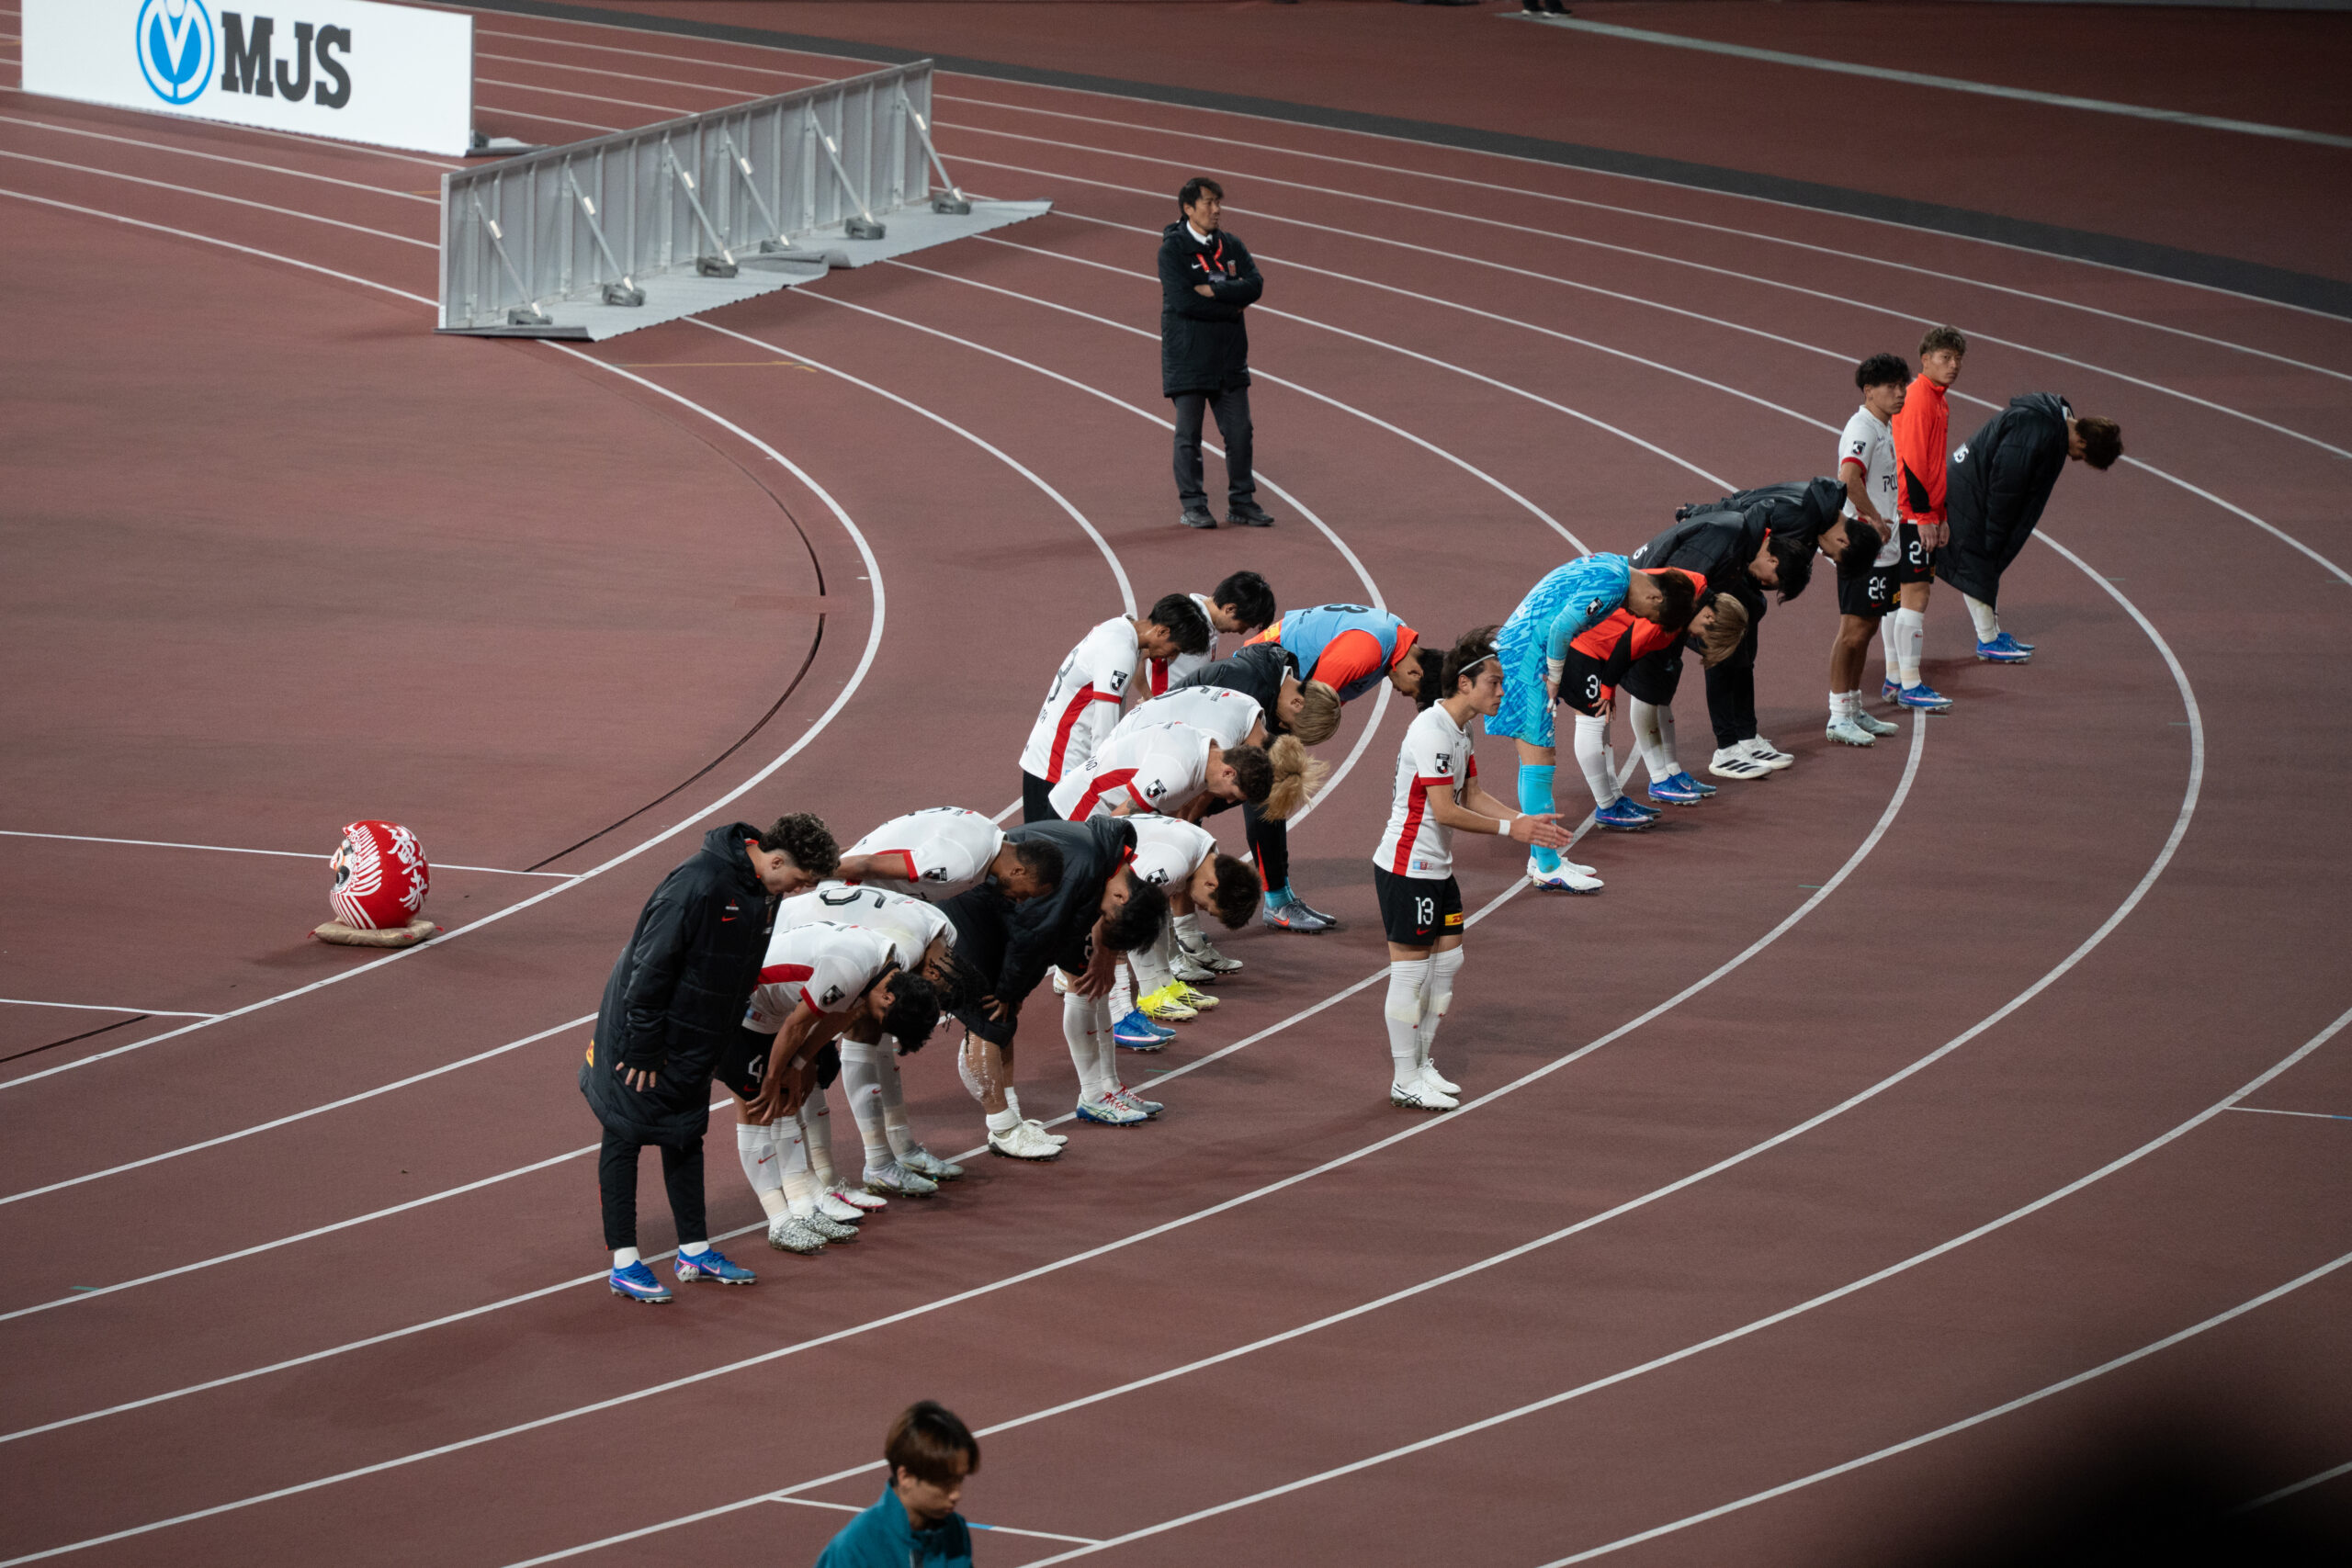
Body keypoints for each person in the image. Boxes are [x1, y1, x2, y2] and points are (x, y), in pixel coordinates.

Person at [582, 815, 837, 1303]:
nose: (802, 890)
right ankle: (625, 1263)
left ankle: (694, 1250)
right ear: (776, 859)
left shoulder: (762, 888)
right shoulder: (697, 885)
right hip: (642, 1034)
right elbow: (649, 966)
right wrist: (642, 1044)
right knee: (625, 1132)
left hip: (697, 1036)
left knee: (685, 1134)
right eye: (801, 880)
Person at [1374, 627, 1573, 1111]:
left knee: (1447, 965)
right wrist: (1512, 834)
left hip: (1436, 868)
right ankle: (1405, 1078)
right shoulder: (1432, 731)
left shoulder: (1458, 731)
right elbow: (1445, 811)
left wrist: (1523, 820)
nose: (1501, 692)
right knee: (1410, 975)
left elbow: (1473, 795)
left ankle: (1421, 1064)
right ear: (1464, 683)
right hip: (1408, 866)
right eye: (1494, 683)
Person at [938, 817, 1168, 1154]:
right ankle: (1004, 1130)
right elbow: (1034, 936)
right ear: (1121, 896)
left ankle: (1028, 1116)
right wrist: (1011, 992)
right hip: (970, 908)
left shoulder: (1104, 859)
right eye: (1108, 921)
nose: (1102, 925)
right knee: (991, 1016)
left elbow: (1052, 930)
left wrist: (1095, 958)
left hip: (1002, 907)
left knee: (1062, 989)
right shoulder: (1083, 869)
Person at [717, 919, 941, 1255]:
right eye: (884, 1015)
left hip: (777, 1009)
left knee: (788, 1104)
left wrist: (797, 1064)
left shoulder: (886, 968)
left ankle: (803, 1206)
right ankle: (779, 1220)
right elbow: (797, 1026)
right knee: (758, 1110)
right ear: (890, 996)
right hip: (742, 1003)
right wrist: (777, 1076)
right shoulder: (851, 969)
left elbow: (843, 1016)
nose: (877, 1022)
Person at [1488, 554, 1696, 892]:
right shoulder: (1615, 584)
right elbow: (1560, 628)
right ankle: (1548, 866)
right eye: (1651, 615)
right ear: (1655, 597)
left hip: (1520, 649)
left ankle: (1542, 857)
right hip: (1526, 659)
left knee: (1538, 758)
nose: (1640, 617)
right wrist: (1555, 676)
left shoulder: (1614, 565)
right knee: (1539, 760)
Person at [773, 884, 987, 1201]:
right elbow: (847, 1030)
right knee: (821, 1051)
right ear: (930, 972)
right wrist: (800, 1061)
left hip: (820, 935)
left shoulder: (942, 936)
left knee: (875, 1028)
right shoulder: (901, 951)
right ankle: (850, 1173)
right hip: (787, 943)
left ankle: (900, 1149)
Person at [1247, 603, 1438, 931]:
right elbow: (1305, 709)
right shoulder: (1365, 653)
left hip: (1280, 678)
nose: (1404, 695)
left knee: (1272, 783)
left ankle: (1281, 897)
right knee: (1267, 787)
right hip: (1263, 678)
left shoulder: (1394, 643)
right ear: (1416, 672)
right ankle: (1278, 902)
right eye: (1413, 694)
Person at [1630, 502, 1818, 781]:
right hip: (1647, 602)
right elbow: (1677, 585)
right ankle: (1711, 755)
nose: (1767, 587)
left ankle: (1726, 745)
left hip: (1664, 600)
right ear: (1774, 562)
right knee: (1700, 658)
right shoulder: (1730, 539)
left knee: (1733, 640)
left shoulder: (1745, 541)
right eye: (1773, 584)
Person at [1941, 395, 2124, 656]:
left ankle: (1991, 636)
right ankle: (1988, 641)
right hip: (1968, 494)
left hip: (1973, 489)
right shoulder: (2037, 431)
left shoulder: (2056, 424)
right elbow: (2006, 486)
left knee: (1982, 565)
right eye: (2082, 455)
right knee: (1978, 563)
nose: (2075, 459)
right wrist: (1995, 533)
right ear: (2082, 439)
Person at [1555, 575, 1739, 832]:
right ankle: (1607, 806)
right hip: (1583, 644)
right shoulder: (1668, 614)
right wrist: (1608, 688)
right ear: (1709, 617)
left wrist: (1611, 686)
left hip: (1599, 646)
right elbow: (1627, 647)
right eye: (1704, 637)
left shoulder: (1686, 601)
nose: (1697, 640)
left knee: (1602, 722)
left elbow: (1629, 652)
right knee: (1592, 721)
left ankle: (1614, 799)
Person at [1018, 595, 1213, 820]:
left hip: (1049, 755)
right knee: (1051, 851)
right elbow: (1104, 729)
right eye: (1175, 649)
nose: (1172, 656)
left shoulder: (1119, 629)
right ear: (1162, 632)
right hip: (1062, 764)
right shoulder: (1120, 654)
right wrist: (1100, 785)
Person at [1160, 176, 1273, 530]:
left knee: (1240, 432)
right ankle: (1193, 504)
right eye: (1208, 203)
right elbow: (1184, 302)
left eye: (1218, 202)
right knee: (1188, 437)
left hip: (1229, 359)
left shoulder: (1231, 245)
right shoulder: (1173, 251)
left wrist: (1214, 291)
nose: (1216, 209)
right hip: (1189, 359)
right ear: (1188, 208)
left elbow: (1255, 284)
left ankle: (1242, 502)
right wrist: (1230, 305)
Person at [1826, 353, 1915, 747]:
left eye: (1902, 386)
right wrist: (1876, 520)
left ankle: (1854, 706)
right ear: (1869, 391)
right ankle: (1837, 716)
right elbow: (1848, 478)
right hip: (1865, 547)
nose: (1900, 394)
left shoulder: (1887, 425)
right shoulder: (1862, 427)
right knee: (1853, 630)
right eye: (1891, 387)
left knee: (1870, 627)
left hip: (1886, 547)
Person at [1888, 324, 1967, 711]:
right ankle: (1911, 683)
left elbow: (1936, 466)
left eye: (1957, 360)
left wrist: (1942, 513)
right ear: (1925, 360)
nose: (1953, 366)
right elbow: (1912, 460)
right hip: (1910, 512)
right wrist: (1922, 515)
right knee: (1915, 595)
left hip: (1919, 511)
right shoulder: (1920, 398)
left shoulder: (1938, 399)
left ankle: (1894, 677)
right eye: (1945, 358)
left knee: (1902, 596)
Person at [1123, 814, 1262, 1027]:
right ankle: (1149, 993)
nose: (1199, 908)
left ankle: (1165, 982)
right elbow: (1129, 915)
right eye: (1206, 906)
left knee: (1156, 909)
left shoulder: (1208, 852)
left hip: (1105, 843)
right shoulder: (1171, 867)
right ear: (1211, 885)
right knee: (1137, 916)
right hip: (1081, 861)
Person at [815, 1401, 980, 1568]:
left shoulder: (954, 1530)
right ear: (906, 1476)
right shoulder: (855, 1548)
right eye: (944, 1483)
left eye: (959, 1480)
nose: (956, 1494)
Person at [833, 806, 1062, 905]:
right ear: (1018, 871)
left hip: (859, 884)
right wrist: (805, 869)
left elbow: (890, 841)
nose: (1021, 900)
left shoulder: (984, 826)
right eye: (1027, 894)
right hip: (849, 892)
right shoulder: (963, 863)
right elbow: (867, 864)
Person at [1145, 570, 1278, 694]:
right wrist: (1148, 697)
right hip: (1164, 712)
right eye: (1243, 625)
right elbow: (1139, 650)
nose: (1241, 632)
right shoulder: (1182, 618)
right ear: (1230, 609)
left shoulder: (1211, 624)